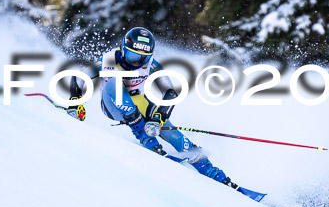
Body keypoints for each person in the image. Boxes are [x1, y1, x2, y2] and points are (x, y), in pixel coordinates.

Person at [66, 27, 237, 188]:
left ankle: (211, 171)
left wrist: (157, 118)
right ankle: (145, 137)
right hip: (113, 106)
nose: (137, 62)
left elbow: (170, 93)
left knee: (170, 131)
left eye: (143, 58)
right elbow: (80, 76)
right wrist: (75, 102)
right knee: (115, 82)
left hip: (139, 102)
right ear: (123, 49)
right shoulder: (108, 59)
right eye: (133, 56)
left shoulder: (151, 65)